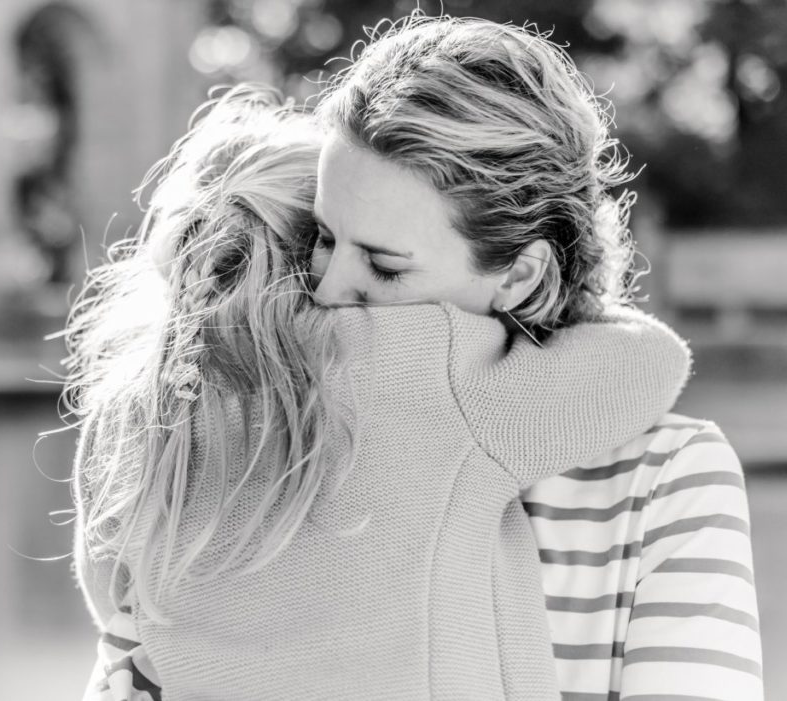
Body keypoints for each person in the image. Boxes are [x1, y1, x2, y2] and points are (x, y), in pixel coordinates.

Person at [63, 79, 710, 701]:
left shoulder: (134, 403)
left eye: (380, 260)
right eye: (326, 241)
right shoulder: (426, 371)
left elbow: (113, 602)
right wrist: (533, 316)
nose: (332, 287)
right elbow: (648, 362)